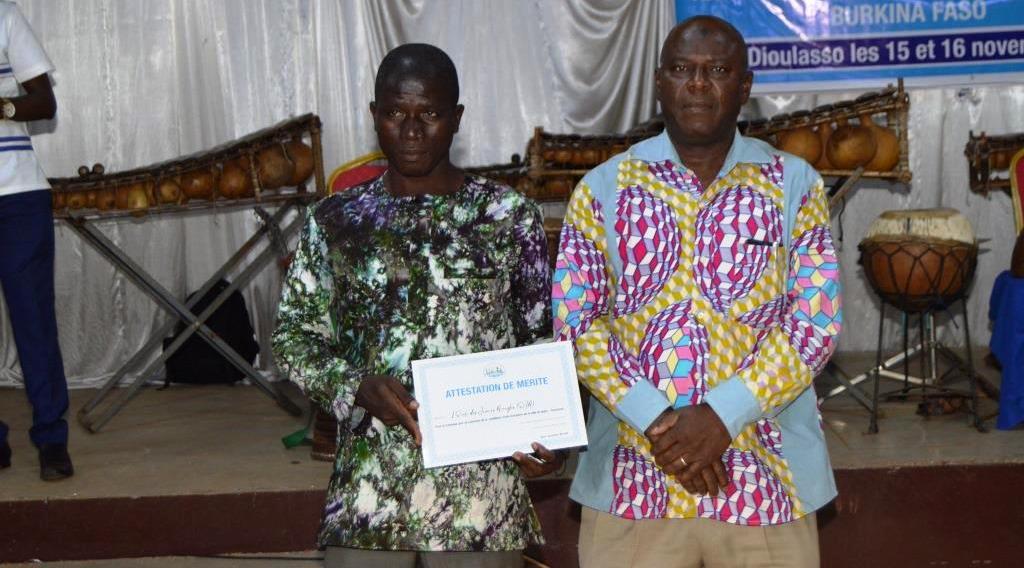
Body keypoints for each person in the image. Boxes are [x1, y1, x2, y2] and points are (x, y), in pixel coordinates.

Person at [553, 15, 841, 567]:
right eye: (683, 69)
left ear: (745, 86)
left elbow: (815, 323)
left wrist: (720, 415)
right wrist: (662, 422)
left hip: (766, 476)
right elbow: (576, 321)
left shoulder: (794, 183)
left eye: (718, 70)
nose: (699, 83)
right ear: (660, 82)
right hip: (634, 479)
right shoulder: (604, 188)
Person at [272, 43, 561, 568]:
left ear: (456, 119)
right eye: (394, 113)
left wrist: (549, 434)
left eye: (428, 113)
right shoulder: (336, 220)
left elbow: (543, 339)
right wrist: (356, 385)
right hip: (369, 489)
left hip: (480, 494)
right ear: (374, 117)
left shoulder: (506, 216)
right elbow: (293, 338)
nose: (410, 129)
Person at [0, 1, 71, 481]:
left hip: (17, 196)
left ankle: (51, 437)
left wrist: (0, 105)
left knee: (34, 320)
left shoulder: (4, 13)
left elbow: (44, 104)